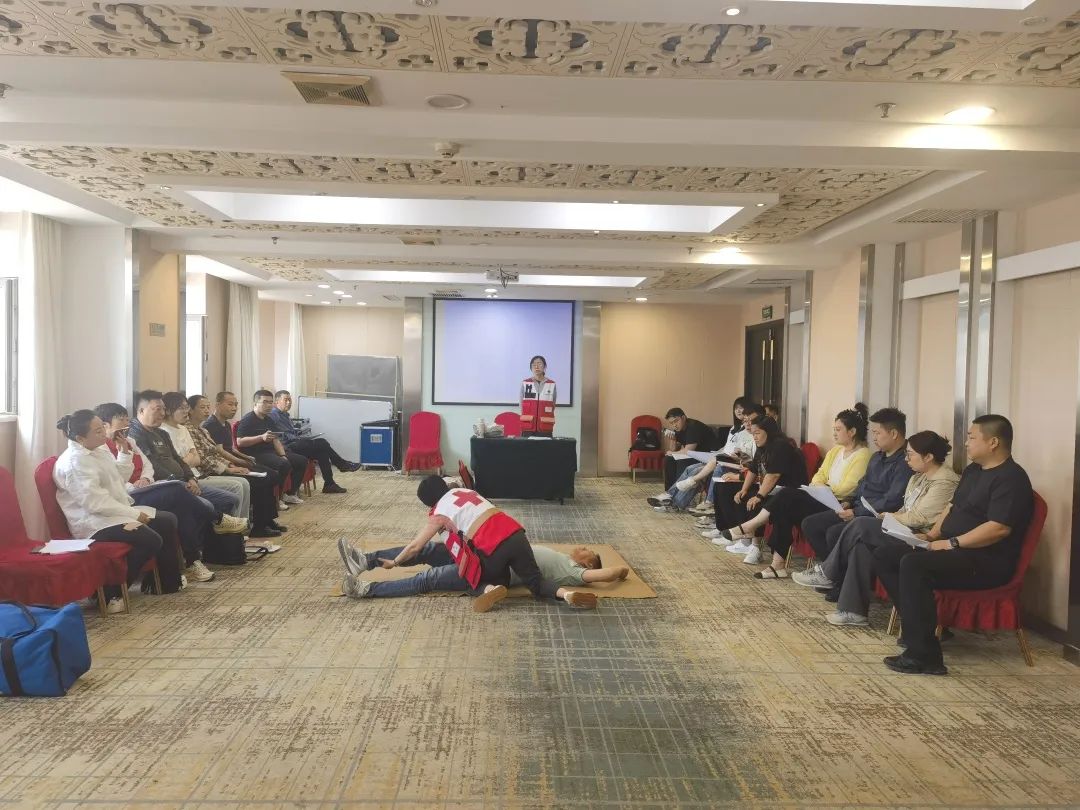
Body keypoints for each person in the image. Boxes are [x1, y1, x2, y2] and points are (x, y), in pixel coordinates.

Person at [875, 415, 1033, 675]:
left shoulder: (1011, 478)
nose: (966, 443)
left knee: (914, 565)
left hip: (985, 560)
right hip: (953, 549)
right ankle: (919, 631)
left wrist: (951, 543)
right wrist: (932, 536)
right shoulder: (973, 471)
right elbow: (952, 507)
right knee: (885, 555)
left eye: (972, 437)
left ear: (993, 442)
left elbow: (998, 528)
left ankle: (924, 656)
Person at [341, 475, 598, 612]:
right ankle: (566, 595)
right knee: (536, 582)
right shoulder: (466, 491)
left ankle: (367, 588)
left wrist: (395, 562)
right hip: (516, 537)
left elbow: (414, 547)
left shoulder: (439, 512)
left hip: (488, 553)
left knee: (428, 577)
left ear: (429, 502)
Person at [793, 431, 959, 627]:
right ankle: (853, 612)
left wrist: (889, 516)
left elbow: (920, 518)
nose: (906, 459)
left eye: (910, 454)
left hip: (921, 536)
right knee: (861, 547)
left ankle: (827, 573)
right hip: (903, 528)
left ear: (928, 457)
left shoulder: (944, 481)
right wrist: (891, 516)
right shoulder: (918, 477)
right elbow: (906, 509)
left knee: (861, 523)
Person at [716, 404, 872, 573]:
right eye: (834, 429)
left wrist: (824, 488)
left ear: (852, 431)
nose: (834, 433)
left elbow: (847, 487)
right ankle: (777, 565)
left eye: (838, 429)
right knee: (784, 508)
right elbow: (819, 476)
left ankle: (750, 528)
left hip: (837, 504)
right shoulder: (835, 451)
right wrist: (822, 487)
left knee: (786, 496)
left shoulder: (863, 455)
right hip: (820, 495)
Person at [94, 401, 225, 583]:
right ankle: (218, 519)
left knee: (181, 506)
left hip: (145, 488)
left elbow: (147, 466)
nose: (126, 425)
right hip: (129, 496)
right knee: (178, 490)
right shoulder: (100, 451)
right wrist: (133, 485)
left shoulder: (129, 441)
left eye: (126, 419)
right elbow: (115, 484)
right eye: (121, 421)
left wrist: (146, 479)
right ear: (105, 425)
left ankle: (192, 562)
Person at [52, 410, 168, 613]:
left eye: (103, 427)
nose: (105, 434)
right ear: (80, 438)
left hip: (113, 512)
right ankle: (109, 593)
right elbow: (95, 503)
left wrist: (123, 452)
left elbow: (119, 478)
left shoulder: (99, 448)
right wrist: (133, 514)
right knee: (150, 539)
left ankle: (167, 583)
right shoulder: (74, 462)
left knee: (165, 520)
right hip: (94, 522)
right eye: (98, 431)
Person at [337, 537, 629, 599]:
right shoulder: (562, 556)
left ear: (588, 562)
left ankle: (368, 590)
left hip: (486, 569)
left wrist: (619, 571)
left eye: (589, 552)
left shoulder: (573, 571)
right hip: (482, 552)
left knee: (427, 579)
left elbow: (602, 575)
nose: (584, 547)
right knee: (429, 550)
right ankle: (365, 560)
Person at [798, 407, 913, 564]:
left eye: (877, 433)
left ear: (893, 434)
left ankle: (833, 573)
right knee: (810, 524)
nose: (873, 437)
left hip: (877, 516)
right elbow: (862, 484)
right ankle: (830, 569)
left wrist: (856, 512)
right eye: (873, 433)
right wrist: (849, 502)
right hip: (856, 509)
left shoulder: (905, 462)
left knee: (833, 532)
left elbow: (892, 500)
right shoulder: (876, 457)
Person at [187, 394, 286, 542]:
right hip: (212, 471)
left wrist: (241, 460)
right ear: (218, 405)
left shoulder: (207, 429)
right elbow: (218, 453)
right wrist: (236, 464)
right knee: (262, 479)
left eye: (236, 404)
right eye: (230, 404)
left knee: (270, 476)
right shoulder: (210, 425)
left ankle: (266, 520)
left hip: (225, 464)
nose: (234, 408)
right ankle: (257, 525)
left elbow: (227, 450)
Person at [702, 415, 807, 544]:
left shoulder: (780, 446)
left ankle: (748, 541)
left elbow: (773, 475)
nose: (754, 437)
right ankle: (727, 530)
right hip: (771, 487)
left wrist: (759, 496)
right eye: (753, 434)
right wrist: (743, 489)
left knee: (753, 499)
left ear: (769, 432)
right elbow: (753, 469)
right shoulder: (763, 446)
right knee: (726, 488)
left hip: (788, 490)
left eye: (757, 433)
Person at [159, 391, 249, 521]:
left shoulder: (186, 429)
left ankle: (242, 525)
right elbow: (181, 463)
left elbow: (198, 458)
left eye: (186, 407)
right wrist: (228, 468)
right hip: (193, 476)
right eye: (181, 408)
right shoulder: (164, 431)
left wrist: (230, 464)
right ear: (168, 411)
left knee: (244, 481)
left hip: (197, 474)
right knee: (237, 486)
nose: (186, 411)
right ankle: (233, 525)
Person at [686, 402, 766, 519]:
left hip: (760, 482)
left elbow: (763, 473)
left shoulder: (766, 442)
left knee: (721, 476)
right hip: (746, 471)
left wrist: (738, 477)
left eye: (752, 421)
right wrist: (742, 458)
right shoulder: (751, 436)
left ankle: (711, 508)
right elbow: (753, 464)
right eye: (745, 421)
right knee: (694, 469)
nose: (748, 424)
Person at [270, 390, 359, 494]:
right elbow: (275, 433)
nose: (289, 402)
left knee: (322, 452)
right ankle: (342, 464)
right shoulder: (274, 414)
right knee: (322, 443)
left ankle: (329, 484)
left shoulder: (285, 415)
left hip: (295, 443)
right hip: (287, 447)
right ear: (277, 402)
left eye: (290, 400)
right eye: (286, 400)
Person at [235, 389, 311, 504]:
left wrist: (283, 455)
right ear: (255, 403)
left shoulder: (269, 419)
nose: (269, 405)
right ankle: (277, 498)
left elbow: (276, 440)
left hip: (271, 452)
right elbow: (240, 442)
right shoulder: (248, 419)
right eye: (265, 402)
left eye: (270, 402)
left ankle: (289, 494)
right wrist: (261, 437)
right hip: (255, 454)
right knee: (283, 464)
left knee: (301, 461)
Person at [658, 407, 718, 491]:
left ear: (683, 418)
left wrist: (672, 453)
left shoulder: (693, 427)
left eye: (676, 421)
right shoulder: (678, 429)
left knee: (682, 461)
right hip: (695, 455)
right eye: (671, 423)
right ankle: (669, 491)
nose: (674, 425)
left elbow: (688, 451)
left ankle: (678, 492)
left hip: (708, 457)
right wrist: (673, 440)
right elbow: (673, 449)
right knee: (669, 459)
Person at [520, 355, 557, 437]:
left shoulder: (551, 384)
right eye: (534, 364)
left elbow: (553, 405)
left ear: (545, 367)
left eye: (539, 364)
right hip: (528, 426)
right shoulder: (525, 383)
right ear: (531, 368)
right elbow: (521, 405)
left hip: (545, 425)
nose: (536, 366)